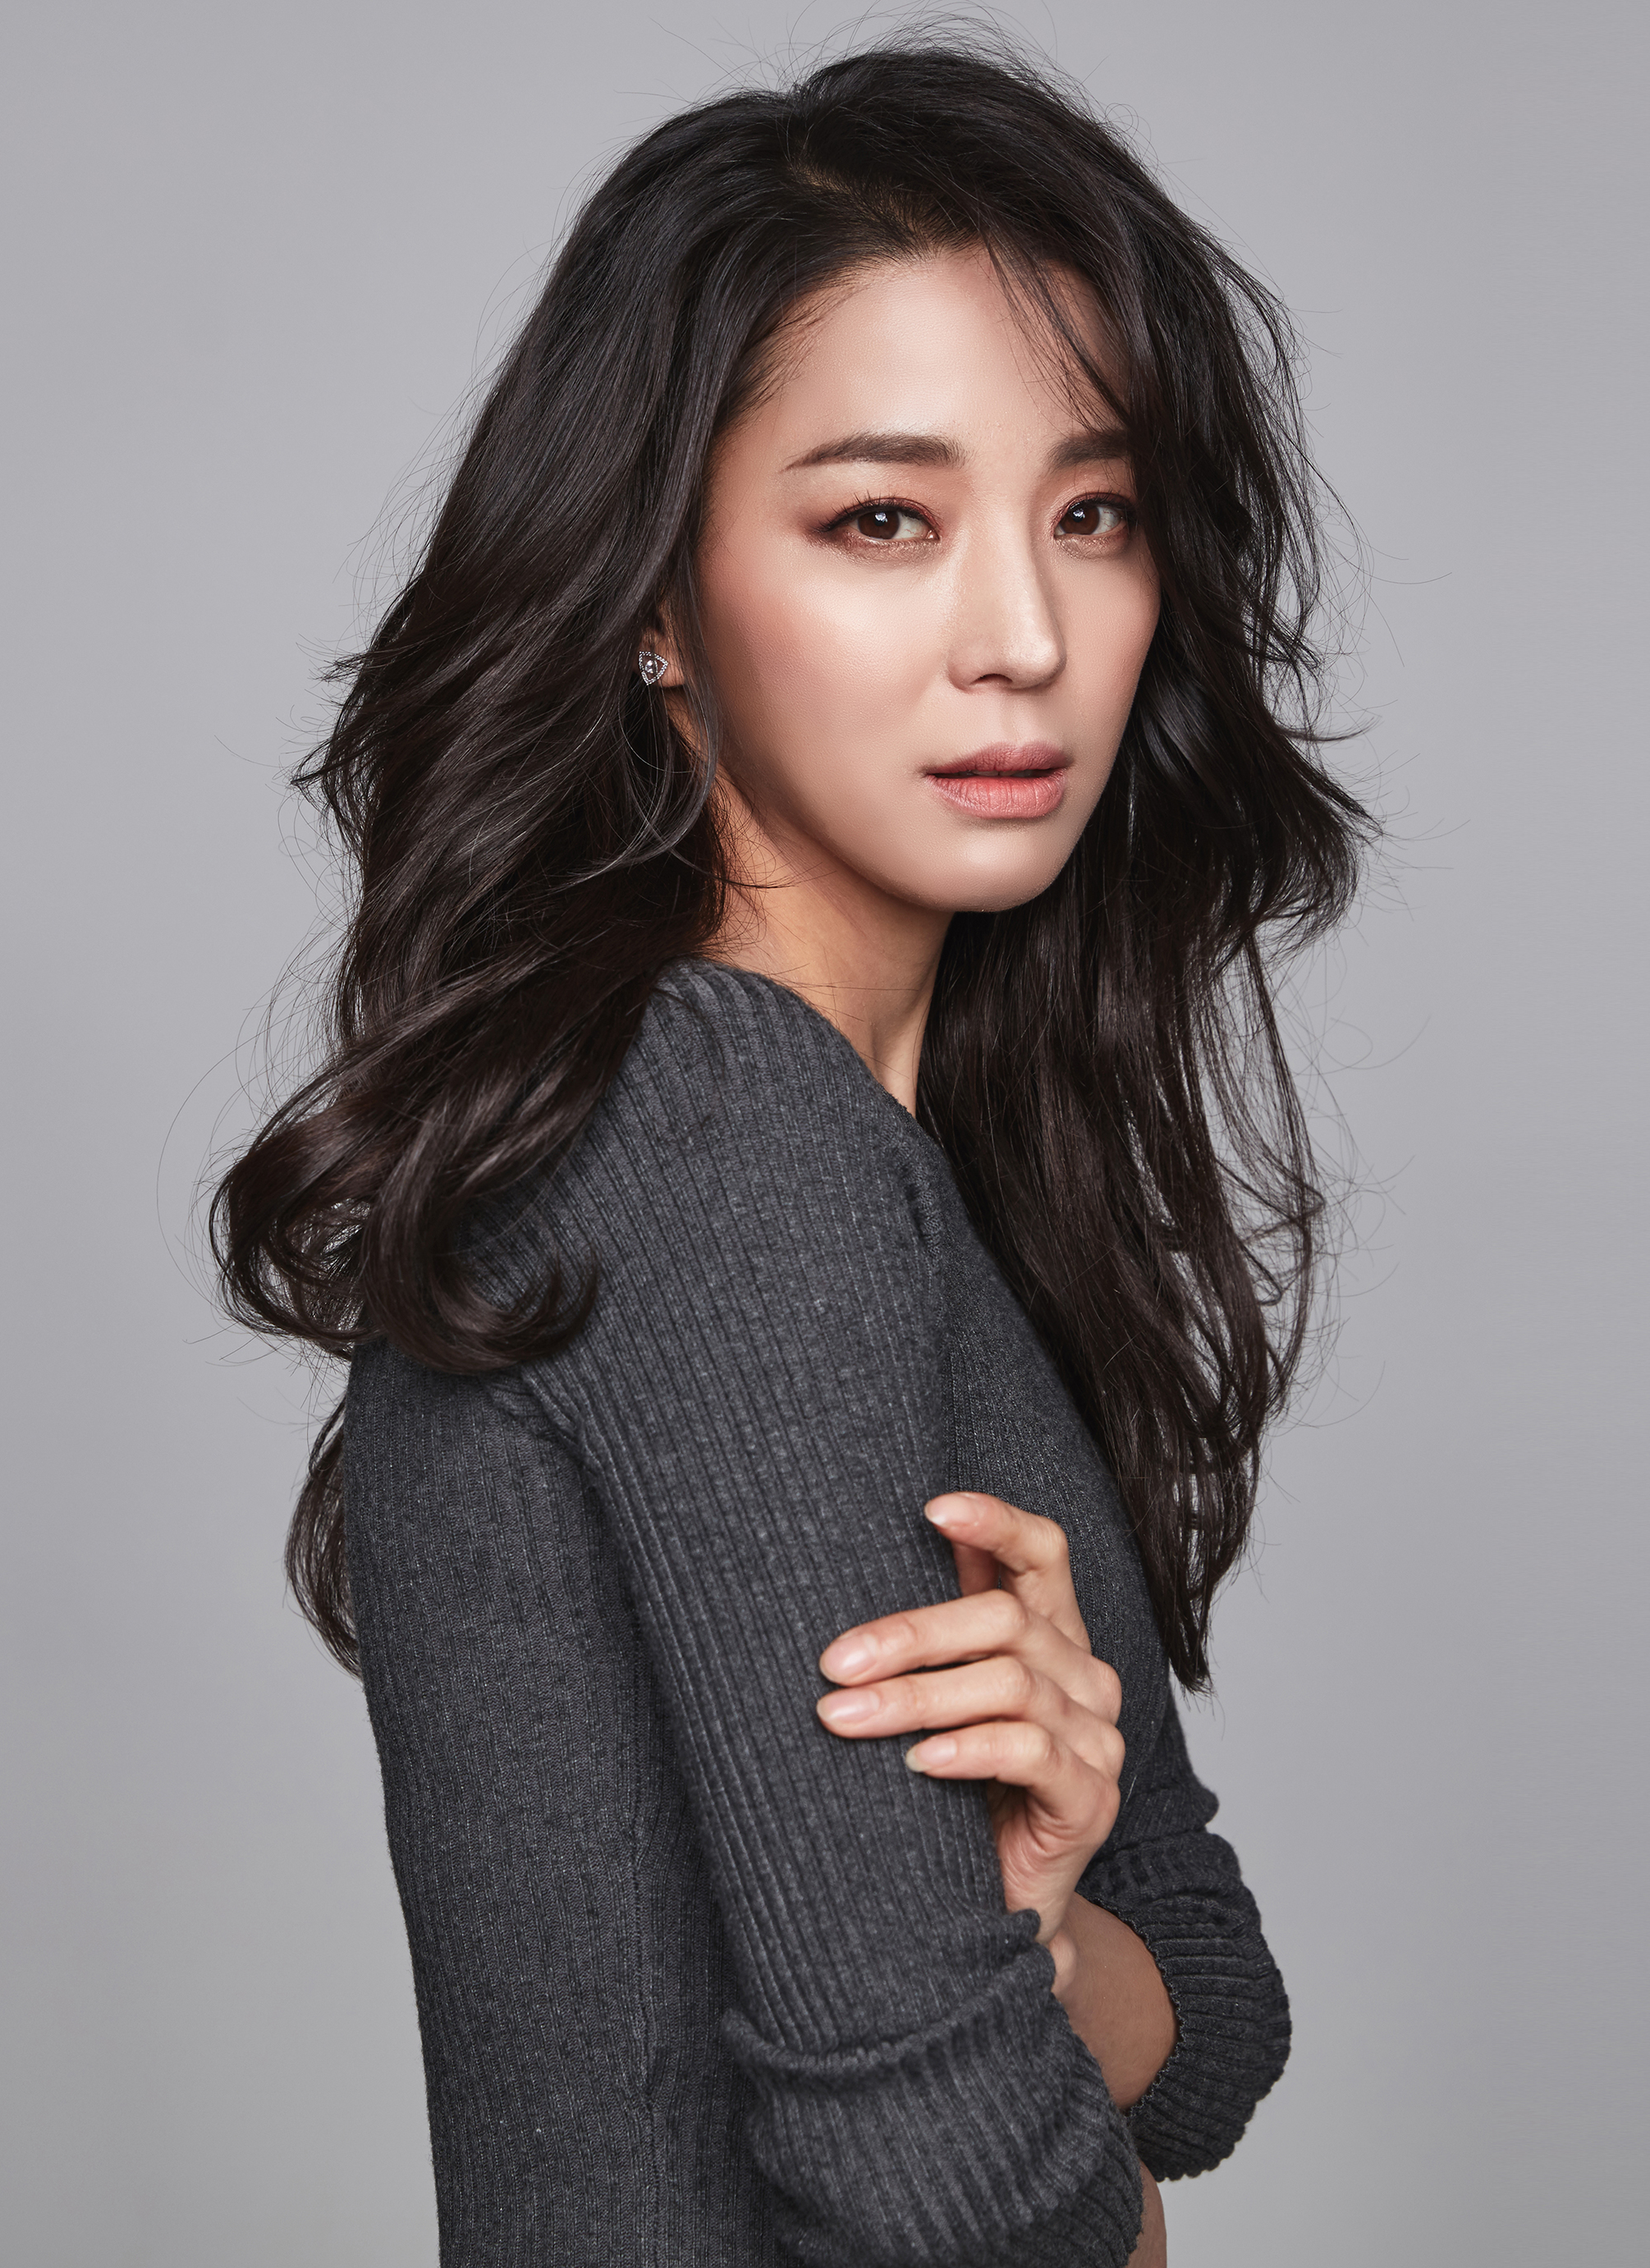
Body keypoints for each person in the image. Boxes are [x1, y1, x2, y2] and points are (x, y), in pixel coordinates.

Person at [215, 40, 1370, 2267]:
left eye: (1094, 512)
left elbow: (1212, 2017)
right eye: (882, 521)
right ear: (655, 602)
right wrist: (1091, 2172)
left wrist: (1040, 1923)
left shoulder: (868, 1155)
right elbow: (952, 2199)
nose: (1024, 638)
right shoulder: (722, 1136)